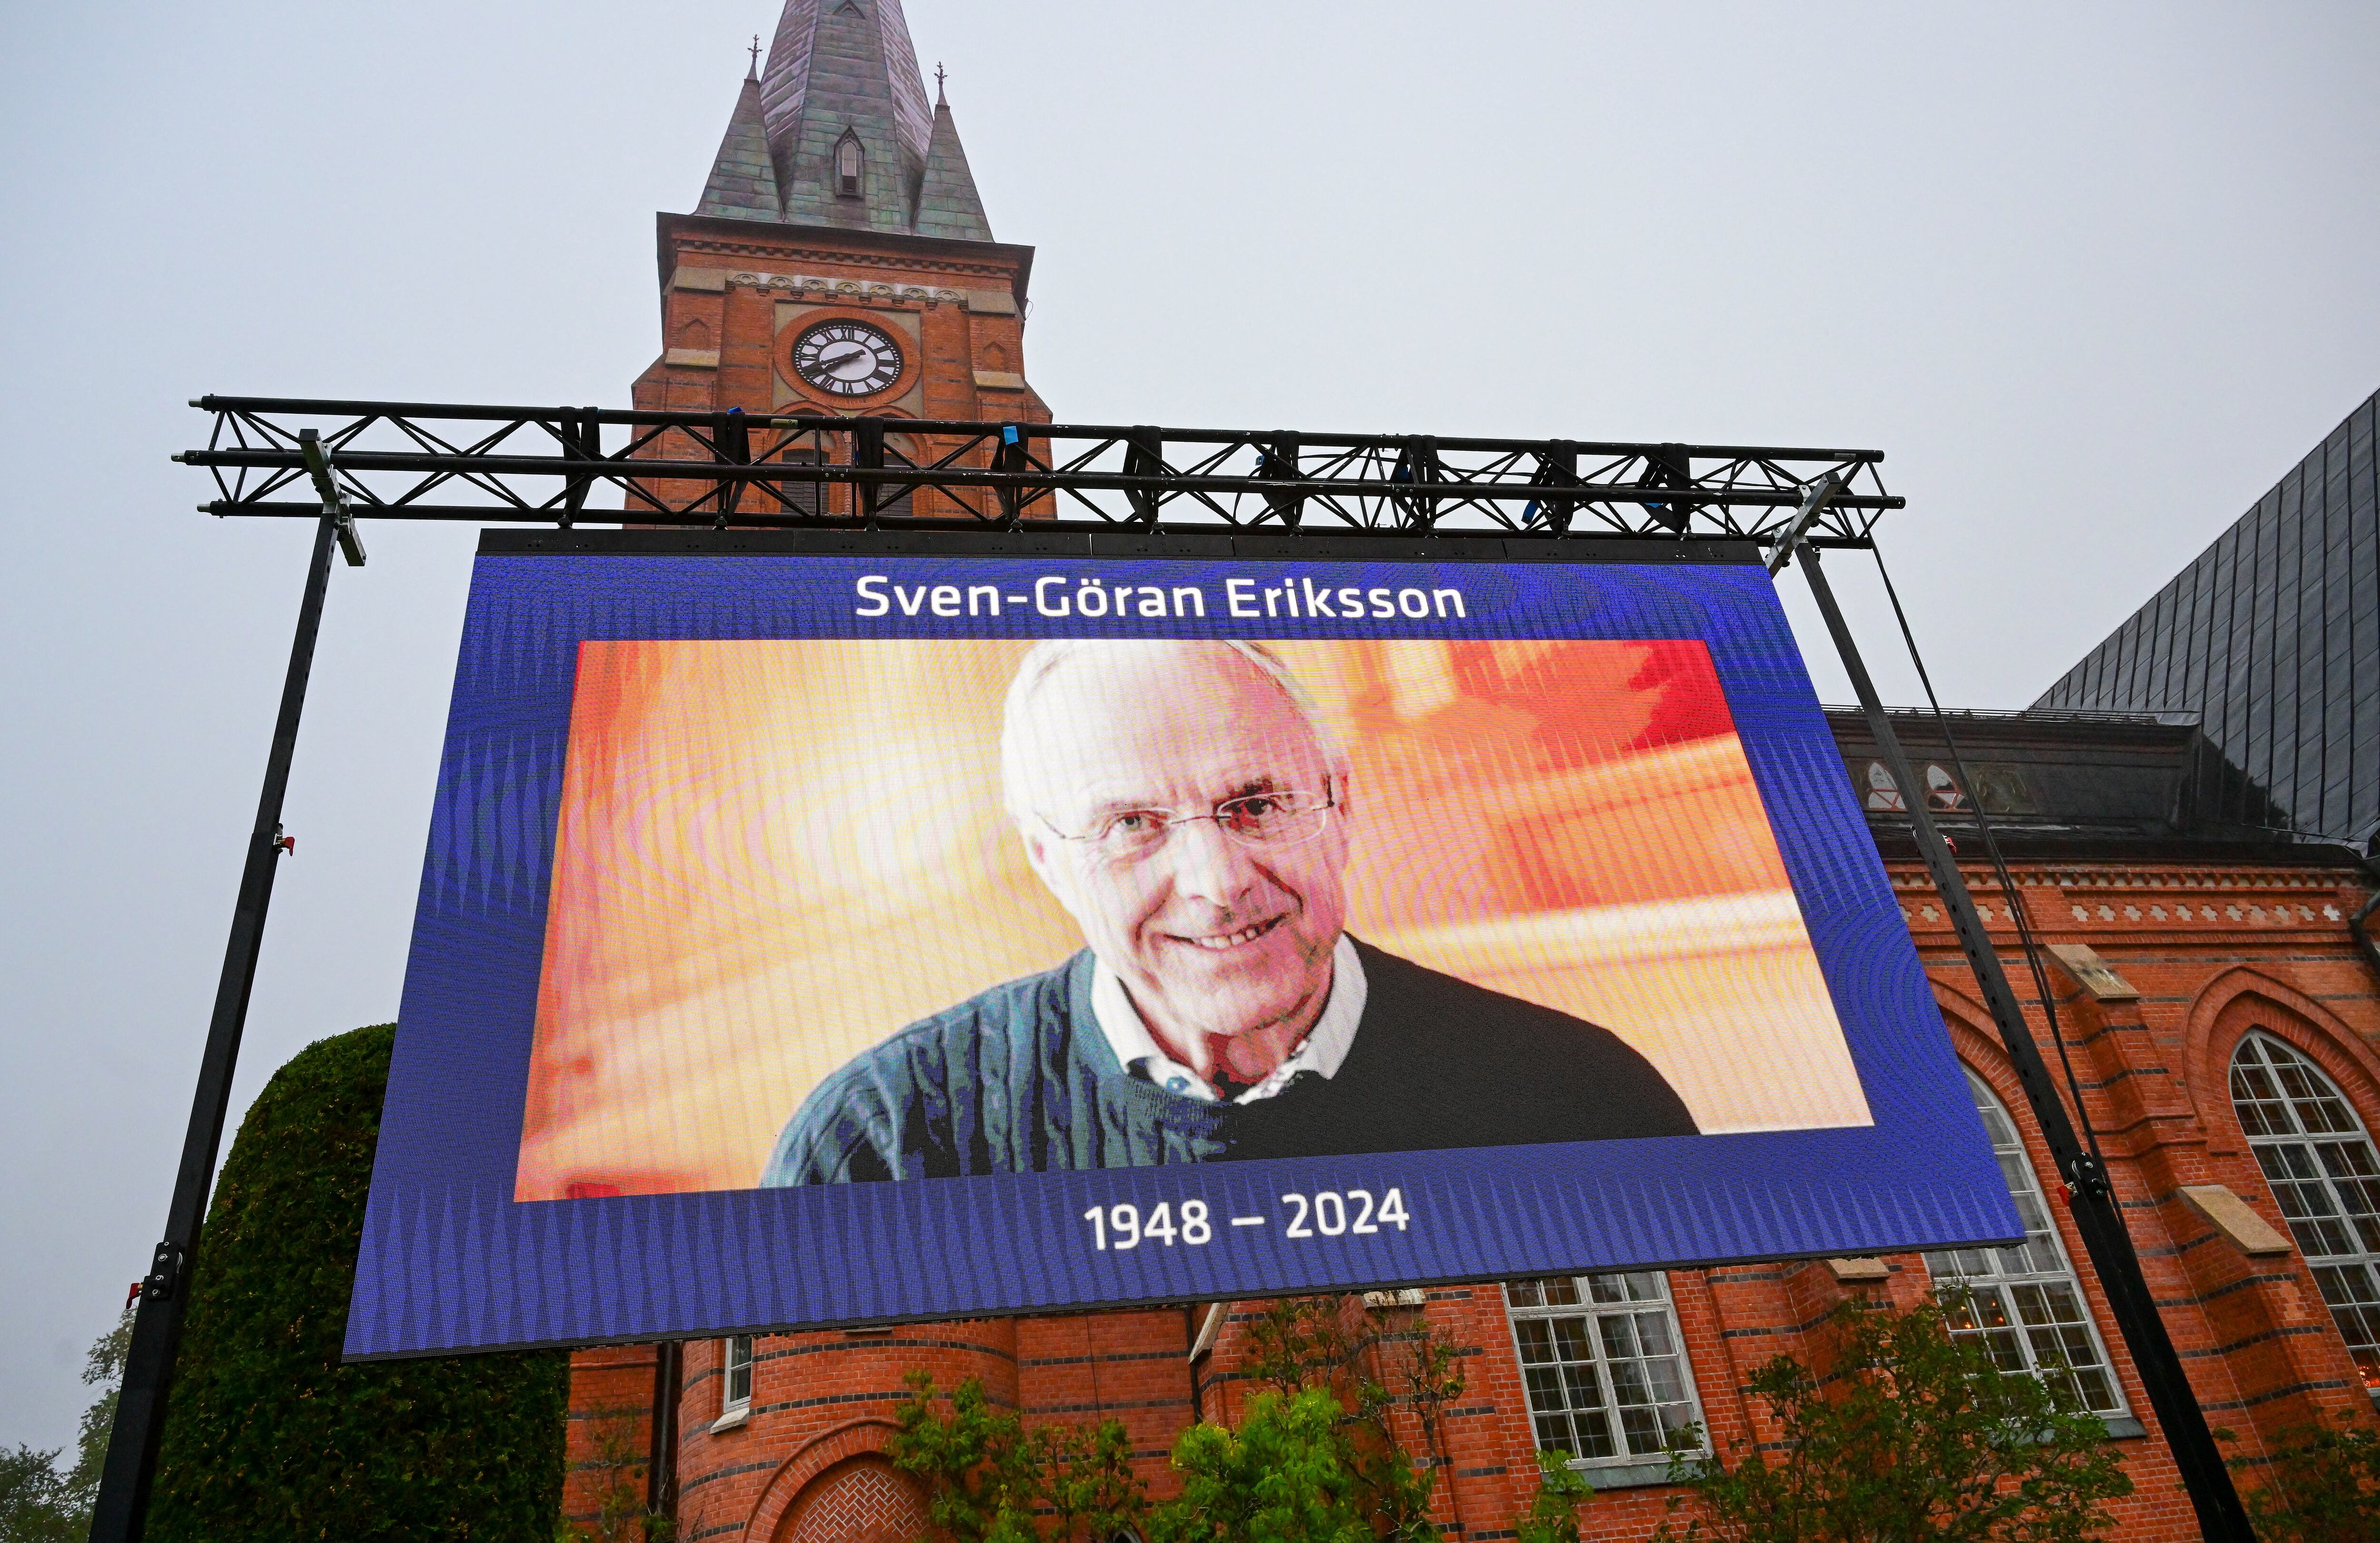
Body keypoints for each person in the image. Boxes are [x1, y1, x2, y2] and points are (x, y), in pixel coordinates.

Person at [763, 639, 1696, 1185]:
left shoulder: (1582, 1099)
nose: (1215, 880)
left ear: (1338, 802)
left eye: (1253, 802)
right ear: (1048, 861)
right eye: (1131, 823)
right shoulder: (885, 1136)